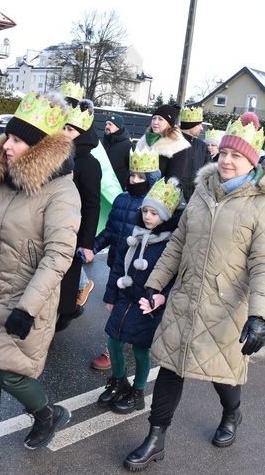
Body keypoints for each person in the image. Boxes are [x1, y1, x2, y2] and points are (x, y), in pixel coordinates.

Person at [123, 113, 265, 470]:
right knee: (171, 367)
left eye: (236, 156)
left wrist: (259, 315)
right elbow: (178, 243)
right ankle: (156, 436)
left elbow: (264, 262)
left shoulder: (263, 204)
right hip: (186, 296)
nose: (226, 160)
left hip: (226, 304)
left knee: (221, 372)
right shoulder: (200, 192)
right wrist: (154, 283)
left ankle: (232, 413)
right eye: (224, 152)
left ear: (251, 162)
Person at [0, 91, 80, 472]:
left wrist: (27, 309)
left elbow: (58, 256)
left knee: (8, 370)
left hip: (24, 298)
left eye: (17, 140)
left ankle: (47, 414)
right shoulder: (7, 182)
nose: (6, 145)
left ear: (39, 148)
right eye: (8, 137)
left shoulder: (61, 193)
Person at [99, 177, 183, 414]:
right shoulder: (134, 236)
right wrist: (110, 296)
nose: (147, 217)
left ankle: (138, 392)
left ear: (165, 217)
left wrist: (161, 297)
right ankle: (118, 381)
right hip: (125, 299)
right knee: (114, 341)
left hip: (147, 304)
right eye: (145, 211)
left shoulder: (170, 244)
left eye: (154, 213)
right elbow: (118, 266)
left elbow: (172, 276)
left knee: (140, 348)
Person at [91, 148, 163, 370]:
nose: (135, 179)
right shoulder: (121, 199)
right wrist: (93, 246)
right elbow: (111, 230)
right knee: (116, 306)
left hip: (141, 269)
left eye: (141, 176)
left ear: (151, 179)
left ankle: (123, 347)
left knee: (133, 309)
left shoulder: (154, 206)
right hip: (118, 263)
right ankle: (115, 345)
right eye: (132, 175)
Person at [55, 84, 102, 332]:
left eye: (70, 129)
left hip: (74, 230)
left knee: (67, 278)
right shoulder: (59, 154)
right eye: (63, 127)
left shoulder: (89, 163)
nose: (65, 132)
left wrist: (86, 242)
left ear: (81, 133)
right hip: (55, 224)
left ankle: (66, 312)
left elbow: (93, 204)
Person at [135, 104, 189, 182]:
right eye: (154, 118)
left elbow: (173, 178)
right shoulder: (143, 141)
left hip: (159, 191)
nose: (155, 122)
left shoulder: (177, 146)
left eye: (160, 119)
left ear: (169, 124)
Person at [179, 107, 211, 201]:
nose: (201, 128)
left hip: (196, 198)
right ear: (190, 125)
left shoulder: (202, 146)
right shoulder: (173, 143)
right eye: (198, 125)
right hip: (175, 197)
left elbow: (209, 169)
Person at [102, 113, 134, 190]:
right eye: (106, 124)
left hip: (119, 189)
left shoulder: (129, 146)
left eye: (110, 124)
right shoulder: (105, 143)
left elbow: (133, 170)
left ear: (118, 127)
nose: (107, 127)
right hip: (103, 187)